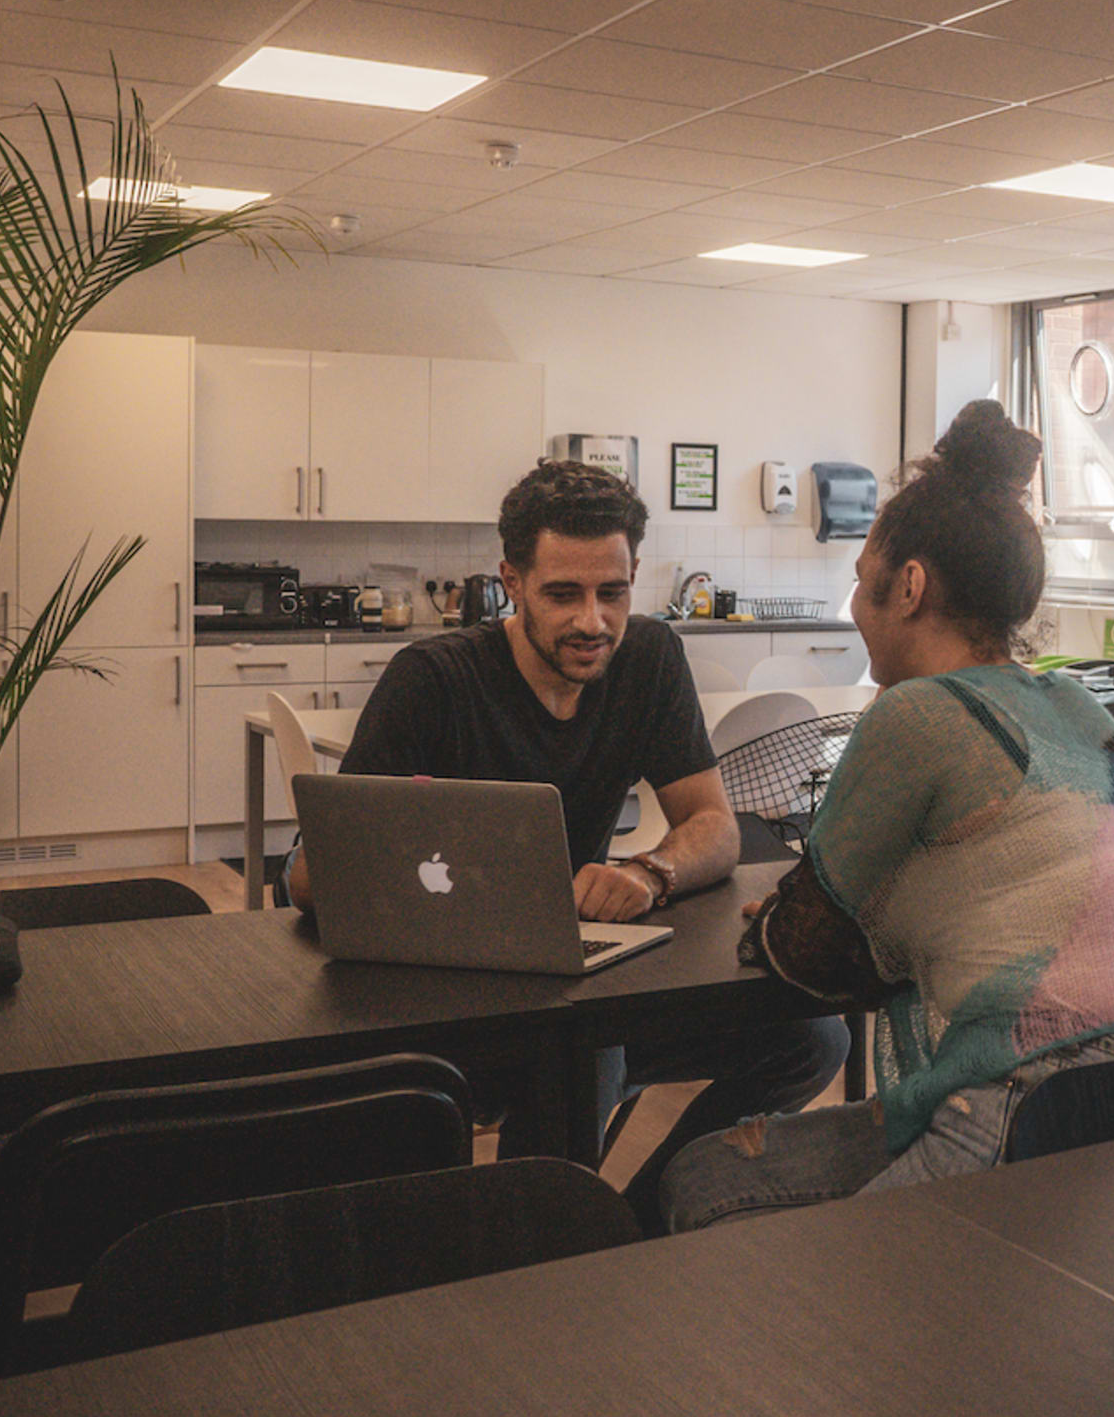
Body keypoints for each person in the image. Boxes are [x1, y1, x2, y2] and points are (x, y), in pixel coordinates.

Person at [659, 402, 1114, 1232]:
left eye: (862, 576)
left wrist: (804, 921)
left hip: (1017, 1109)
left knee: (700, 1183)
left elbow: (800, 951)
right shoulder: (1077, 704)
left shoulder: (916, 714)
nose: (855, 605)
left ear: (907, 586)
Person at [293, 459, 846, 1209]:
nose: (593, 621)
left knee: (814, 1040)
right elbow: (307, 875)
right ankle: (538, 1252)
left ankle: (642, 1214)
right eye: (563, 594)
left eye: (611, 592)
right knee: (586, 1058)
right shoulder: (433, 681)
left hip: (580, 974)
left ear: (634, 577)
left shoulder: (648, 659)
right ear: (511, 582)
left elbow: (714, 826)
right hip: (446, 994)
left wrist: (649, 873)